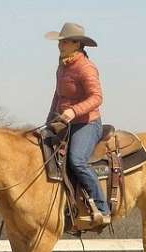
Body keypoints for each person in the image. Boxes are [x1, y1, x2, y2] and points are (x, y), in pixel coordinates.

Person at [45, 22, 111, 226]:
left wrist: (73, 111)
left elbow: (97, 97)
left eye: (64, 42)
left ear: (76, 44)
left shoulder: (86, 67)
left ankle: (102, 208)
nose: (60, 45)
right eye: (60, 41)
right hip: (65, 122)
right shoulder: (62, 66)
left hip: (87, 123)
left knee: (76, 160)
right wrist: (49, 120)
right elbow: (58, 96)